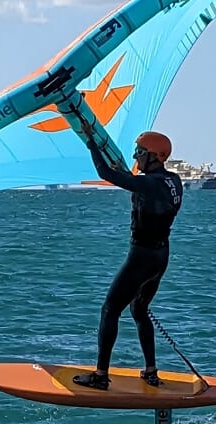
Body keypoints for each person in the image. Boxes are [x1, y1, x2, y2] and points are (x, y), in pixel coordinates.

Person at [73, 130, 183, 391]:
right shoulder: (173, 181)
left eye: (140, 153)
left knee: (110, 310)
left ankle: (100, 376)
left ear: (156, 157)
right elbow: (137, 184)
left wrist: (91, 142)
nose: (136, 156)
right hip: (160, 257)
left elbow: (106, 175)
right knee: (139, 310)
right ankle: (151, 371)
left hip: (142, 257)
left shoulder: (150, 184)